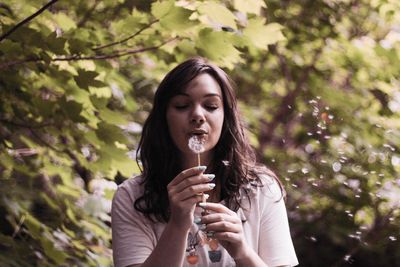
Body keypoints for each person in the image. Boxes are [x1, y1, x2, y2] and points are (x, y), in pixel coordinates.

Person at [111, 57, 299, 267]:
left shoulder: (261, 190)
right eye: (182, 106)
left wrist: (242, 251)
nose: (197, 115)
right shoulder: (132, 196)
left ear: (226, 116)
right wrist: (178, 224)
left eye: (210, 106)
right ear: (163, 117)